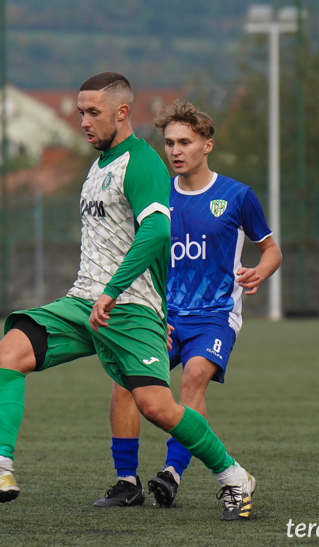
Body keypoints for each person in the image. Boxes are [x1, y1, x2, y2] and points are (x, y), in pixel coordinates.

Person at [0, 72, 257, 521]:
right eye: (81, 113)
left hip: (129, 308)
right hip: (83, 302)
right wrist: (98, 292)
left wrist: (113, 291)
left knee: (157, 407)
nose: (85, 122)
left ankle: (233, 476)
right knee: (6, 353)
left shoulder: (143, 162)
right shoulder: (98, 167)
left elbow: (157, 230)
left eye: (94, 113)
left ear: (122, 113)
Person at [94, 100, 281, 519]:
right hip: (164, 316)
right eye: (169, 143)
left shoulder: (236, 195)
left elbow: (271, 249)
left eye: (185, 142)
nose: (175, 150)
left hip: (215, 315)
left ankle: (172, 472)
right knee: (126, 384)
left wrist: (259, 272)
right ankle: (127, 481)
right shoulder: (156, 195)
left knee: (194, 377)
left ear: (207, 145)